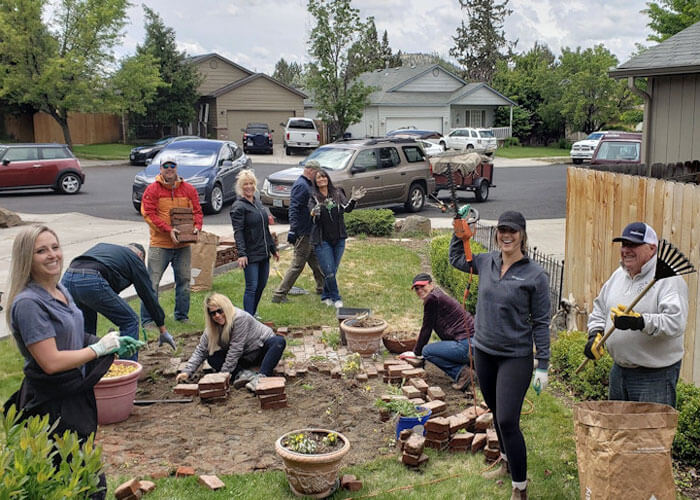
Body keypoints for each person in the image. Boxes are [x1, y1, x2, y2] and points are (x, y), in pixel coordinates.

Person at [3, 226, 141, 500]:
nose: (52, 255)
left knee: (87, 476)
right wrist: (96, 349)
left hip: (73, 396)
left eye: (55, 247)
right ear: (26, 258)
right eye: (41, 250)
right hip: (52, 403)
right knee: (70, 479)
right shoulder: (29, 304)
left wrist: (107, 342)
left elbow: (72, 333)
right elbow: (51, 361)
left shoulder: (59, 289)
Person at [449, 210, 550, 500]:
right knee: (495, 411)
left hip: (514, 357)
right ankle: (505, 463)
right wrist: (459, 231)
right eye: (502, 230)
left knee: (507, 420)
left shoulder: (535, 275)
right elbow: (457, 259)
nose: (506, 236)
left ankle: (520, 488)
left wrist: (542, 364)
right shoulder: (487, 261)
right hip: (484, 350)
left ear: (522, 235)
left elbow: (541, 322)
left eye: (513, 231)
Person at [583, 222, 688, 408]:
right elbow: (600, 308)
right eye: (624, 245)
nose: (626, 250)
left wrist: (640, 322)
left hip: (654, 377)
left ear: (652, 248)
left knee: (649, 436)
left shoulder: (668, 279)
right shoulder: (618, 275)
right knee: (619, 433)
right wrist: (595, 334)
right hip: (619, 372)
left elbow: (675, 322)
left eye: (633, 245)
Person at [61, 242, 176, 360]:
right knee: (130, 320)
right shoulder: (134, 259)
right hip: (91, 279)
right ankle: (128, 367)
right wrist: (162, 330)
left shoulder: (107, 250)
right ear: (140, 255)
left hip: (67, 277)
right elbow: (148, 296)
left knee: (86, 330)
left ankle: (85, 370)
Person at [175, 293, 286, 392]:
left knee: (278, 341)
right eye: (213, 313)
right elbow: (201, 350)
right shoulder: (212, 327)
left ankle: (261, 377)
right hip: (244, 357)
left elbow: (236, 349)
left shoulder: (240, 318)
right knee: (212, 356)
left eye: (220, 311)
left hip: (260, 350)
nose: (217, 315)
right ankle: (243, 374)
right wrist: (187, 372)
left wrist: (223, 376)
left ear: (226, 308)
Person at [140, 154, 203, 326]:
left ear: (176, 168)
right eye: (166, 166)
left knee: (184, 281)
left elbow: (197, 211)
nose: (169, 169)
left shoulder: (189, 189)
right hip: (160, 245)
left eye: (172, 166)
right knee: (152, 283)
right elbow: (148, 214)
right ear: (160, 168)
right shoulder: (152, 189)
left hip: (183, 245)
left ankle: (182, 316)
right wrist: (169, 230)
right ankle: (148, 320)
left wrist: (197, 227)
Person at [400, 273, 475, 391]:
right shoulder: (438, 295)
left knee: (427, 351)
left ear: (431, 284)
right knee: (439, 349)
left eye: (422, 286)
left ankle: (463, 373)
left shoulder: (432, 298)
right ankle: (472, 364)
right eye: (416, 289)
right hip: (474, 343)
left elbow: (426, 328)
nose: (419, 290)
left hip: (466, 345)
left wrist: (416, 352)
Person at [308, 169, 365, 308]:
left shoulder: (337, 193)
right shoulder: (313, 197)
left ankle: (325, 295)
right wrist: (315, 211)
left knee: (332, 271)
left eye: (323, 177)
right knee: (329, 270)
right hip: (322, 240)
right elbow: (312, 214)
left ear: (327, 178)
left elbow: (347, 208)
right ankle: (336, 297)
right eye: (318, 178)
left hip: (339, 239)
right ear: (315, 182)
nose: (321, 179)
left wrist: (353, 200)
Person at [271, 160, 325, 303]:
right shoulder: (301, 186)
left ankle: (323, 287)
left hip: (309, 230)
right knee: (297, 265)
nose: (318, 176)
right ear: (311, 171)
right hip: (302, 231)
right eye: (317, 173)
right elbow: (294, 208)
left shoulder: (307, 184)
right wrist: (293, 231)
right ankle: (279, 294)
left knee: (316, 261)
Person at [230, 170, 279, 317]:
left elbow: (265, 228)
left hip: (263, 252)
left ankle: (253, 313)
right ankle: (248, 318)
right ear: (240, 187)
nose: (249, 187)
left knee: (261, 285)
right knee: (251, 287)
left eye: (251, 183)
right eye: (245, 184)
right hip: (250, 254)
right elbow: (238, 232)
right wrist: (242, 254)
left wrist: (273, 249)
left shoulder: (257, 203)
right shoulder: (239, 207)